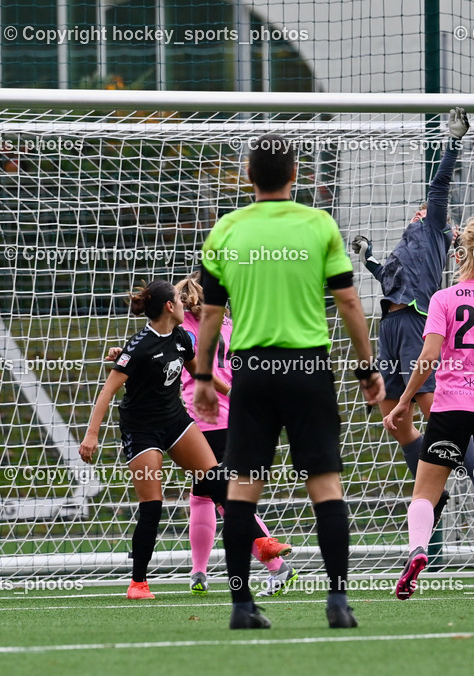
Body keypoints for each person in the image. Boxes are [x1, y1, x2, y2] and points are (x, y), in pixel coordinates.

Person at [193, 133, 384, 630]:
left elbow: (211, 313)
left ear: (250, 177)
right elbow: (347, 303)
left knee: (241, 488)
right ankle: (338, 601)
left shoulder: (227, 229)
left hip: (252, 372)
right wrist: (367, 368)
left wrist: (202, 377)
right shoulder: (318, 224)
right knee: (325, 484)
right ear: (295, 176)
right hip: (307, 371)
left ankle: (240, 605)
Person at [80, 280, 291, 600]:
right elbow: (108, 391)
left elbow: (203, 373)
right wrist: (91, 435)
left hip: (175, 421)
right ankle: (138, 583)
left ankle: (261, 543)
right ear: (169, 307)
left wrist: (236, 396)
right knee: (152, 506)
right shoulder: (138, 346)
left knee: (216, 481)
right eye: (178, 300)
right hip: (142, 429)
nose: (184, 303)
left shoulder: (180, 338)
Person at [352, 106, 474, 526]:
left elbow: (439, 185)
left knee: (436, 411)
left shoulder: (434, 226)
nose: (425, 207)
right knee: (394, 418)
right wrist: (369, 259)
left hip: (415, 323)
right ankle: (433, 493)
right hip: (391, 326)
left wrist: (452, 141)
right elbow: (390, 277)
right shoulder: (410, 237)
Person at [384, 220, 474, 600]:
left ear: (457, 257)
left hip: (451, 408)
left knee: (425, 492)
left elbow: (428, 356)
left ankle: (418, 550)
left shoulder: (443, 299)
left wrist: (403, 402)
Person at [174, 273, 297, 598]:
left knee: (226, 498)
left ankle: (276, 567)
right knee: (203, 494)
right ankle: (198, 572)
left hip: (205, 417)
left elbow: (199, 370)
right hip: (234, 417)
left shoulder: (182, 328)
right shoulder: (228, 323)